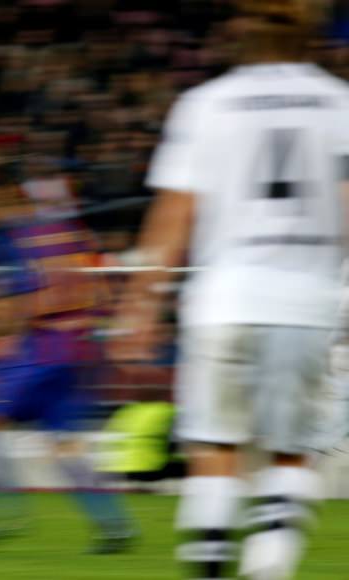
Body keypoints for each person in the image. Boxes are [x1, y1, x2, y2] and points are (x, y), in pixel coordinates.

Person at [113, 2, 349, 577]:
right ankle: (268, 566)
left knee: (216, 448)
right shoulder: (339, 103)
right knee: (290, 452)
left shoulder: (206, 103)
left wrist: (140, 304)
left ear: (240, 31)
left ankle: (212, 564)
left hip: (222, 301)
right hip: (307, 303)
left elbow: (174, 213)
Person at [0, 187, 135, 552]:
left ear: (4, 202)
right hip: (79, 354)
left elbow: (20, 303)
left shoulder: (14, 240)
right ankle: (113, 524)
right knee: (64, 445)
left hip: (40, 352)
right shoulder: (72, 235)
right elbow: (104, 294)